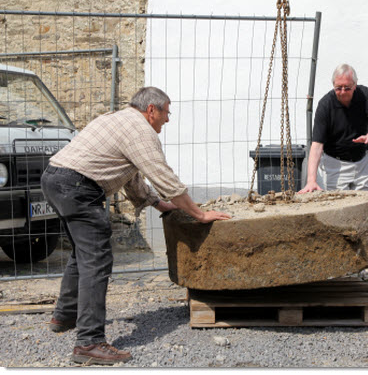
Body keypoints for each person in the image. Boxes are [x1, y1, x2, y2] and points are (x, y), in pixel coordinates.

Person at [41, 86, 231, 365]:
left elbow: (129, 176)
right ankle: (89, 343)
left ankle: (65, 315)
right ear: (151, 110)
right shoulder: (140, 131)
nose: (168, 119)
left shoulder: (116, 119)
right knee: (96, 260)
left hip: (54, 179)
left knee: (81, 254)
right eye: (167, 112)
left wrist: (158, 204)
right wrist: (198, 214)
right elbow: (162, 175)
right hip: (77, 187)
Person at [298, 63, 368, 194]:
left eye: (347, 88)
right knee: (340, 206)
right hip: (336, 164)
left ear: (355, 85)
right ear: (333, 85)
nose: (343, 92)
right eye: (338, 88)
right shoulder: (325, 105)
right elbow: (317, 145)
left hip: (363, 161)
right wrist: (311, 180)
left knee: (363, 205)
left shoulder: (365, 95)